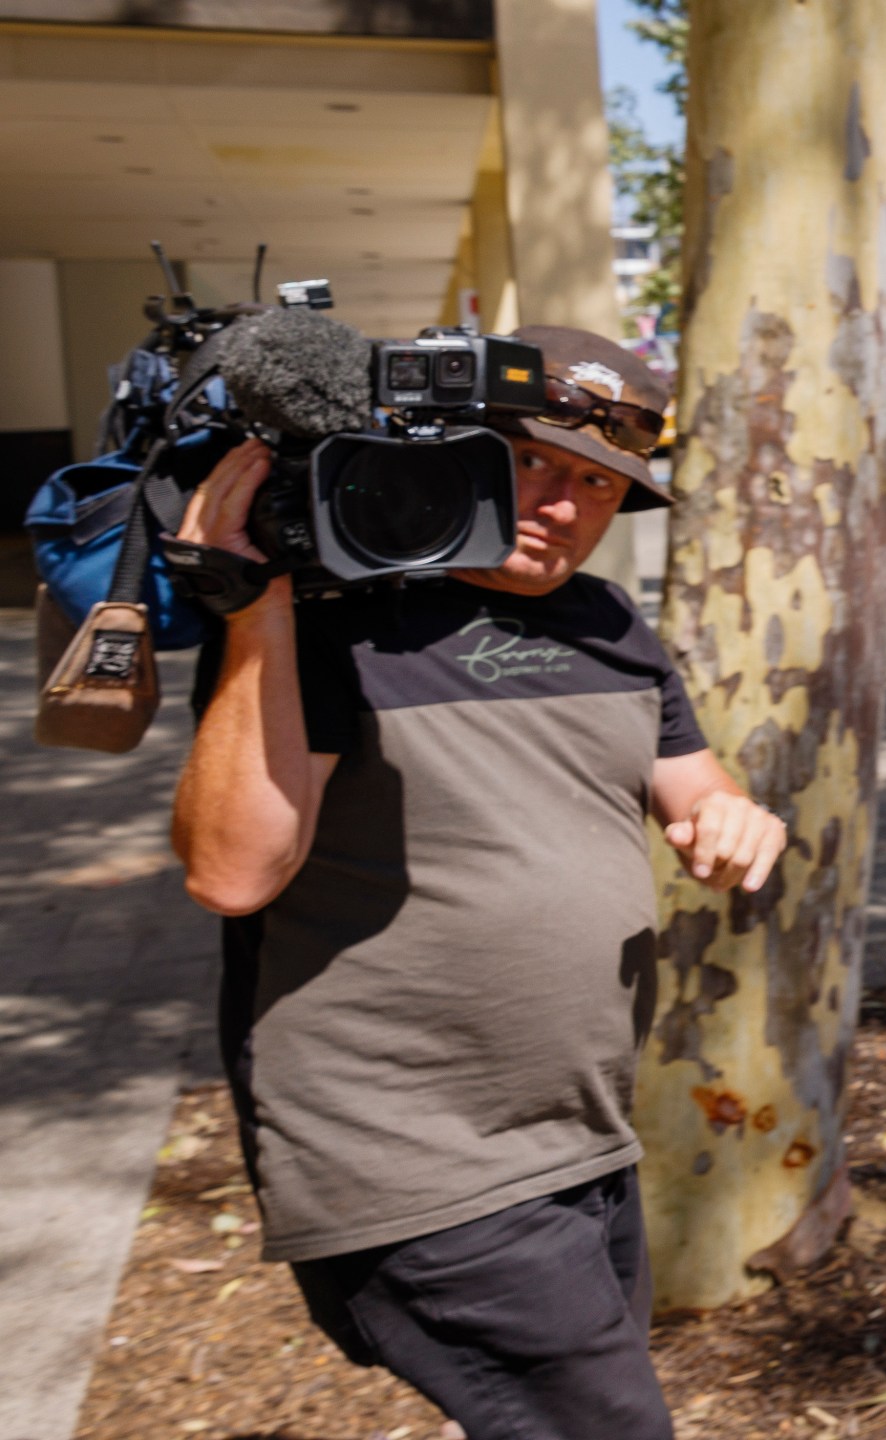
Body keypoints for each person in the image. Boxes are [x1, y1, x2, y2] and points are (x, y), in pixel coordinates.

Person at [167, 327, 788, 1440]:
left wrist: (735, 822)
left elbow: (699, 800)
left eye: (597, 482)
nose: (563, 503)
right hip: (410, 1157)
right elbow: (230, 872)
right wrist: (250, 608)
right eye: (535, 463)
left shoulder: (609, 627)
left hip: (581, 1133)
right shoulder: (327, 619)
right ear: (457, 453)